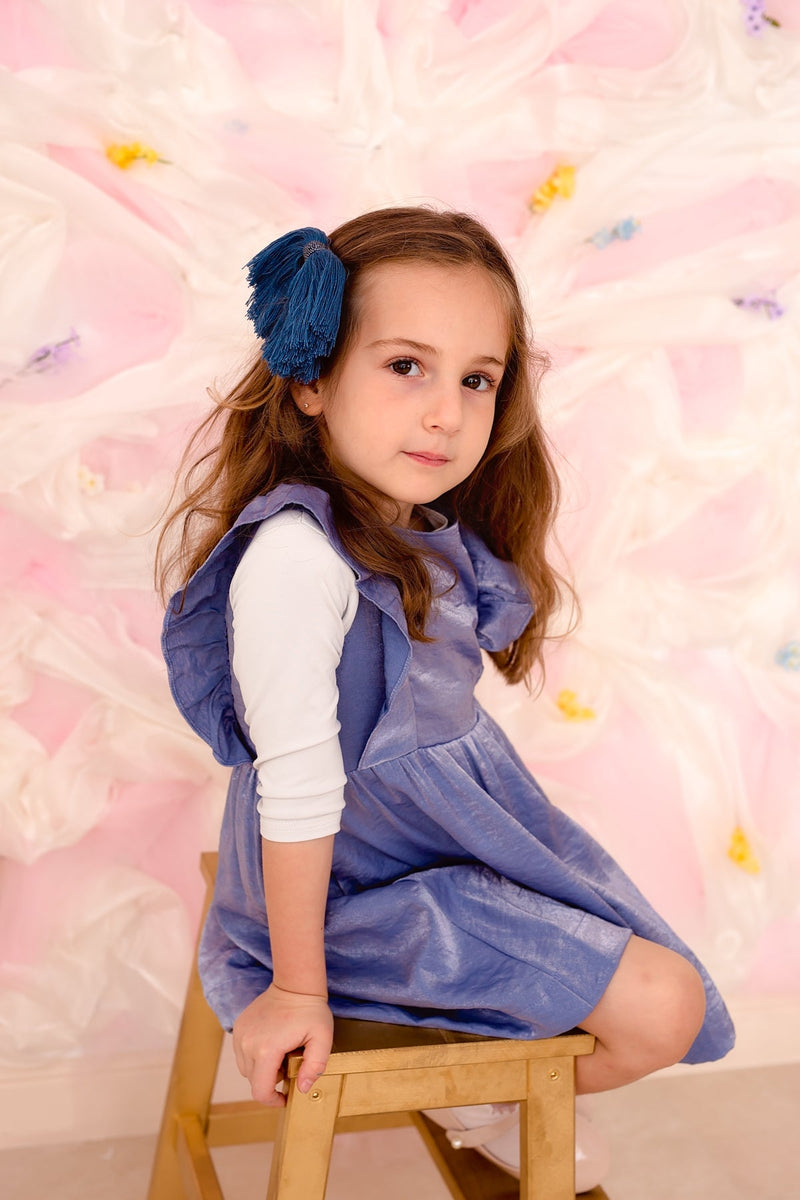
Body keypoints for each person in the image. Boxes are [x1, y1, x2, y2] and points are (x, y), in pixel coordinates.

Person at [158, 207, 734, 1190]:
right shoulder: (297, 562)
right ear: (311, 378)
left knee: (659, 982)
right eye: (404, 366)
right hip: (348, 902)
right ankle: (479, 1093)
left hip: (435, 856)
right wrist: (296, 989)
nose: (446, 414)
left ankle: (486, 1074)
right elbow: (296, 790)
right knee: (662, 1004)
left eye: (476, 379)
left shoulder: (412, 527)